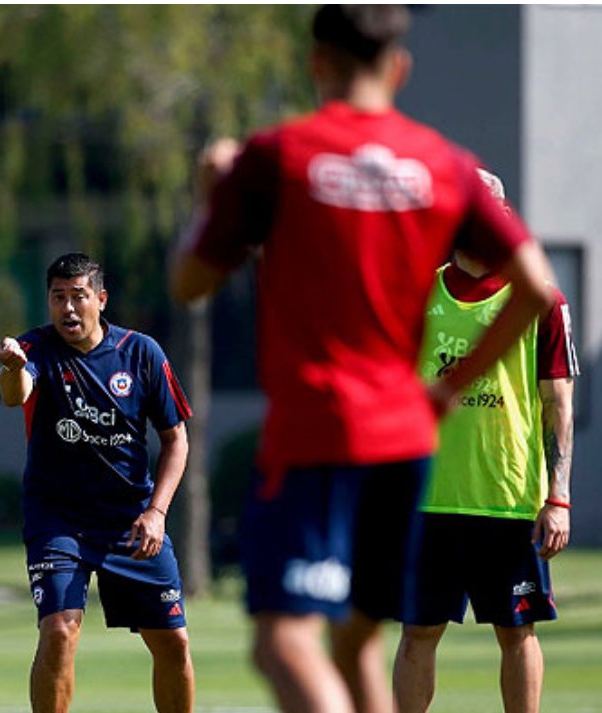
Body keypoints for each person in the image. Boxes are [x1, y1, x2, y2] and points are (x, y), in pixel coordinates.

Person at [168, 6, 556, 713]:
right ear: (399, 68)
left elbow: (190, 282)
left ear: (316, 63)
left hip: (318, 432)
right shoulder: (442, 164)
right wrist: (450, 389)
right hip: (405, 445)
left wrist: (210, 196)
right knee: (356, 644)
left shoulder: (279, 156)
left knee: (284, 643)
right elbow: (535, 284)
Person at [392, 170, 578, 713]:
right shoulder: (416, 291)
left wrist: (558, 498)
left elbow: (558, 404)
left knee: (517, 631)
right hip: (428, 497)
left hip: (509, 498)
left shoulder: (541, 299)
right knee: (417, 631)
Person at [0, 253, 195, 713]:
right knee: (59, 631)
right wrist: (12, 367)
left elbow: (176, 439)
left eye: (78, 296)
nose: (67, 308)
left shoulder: (141, 353)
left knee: (174, 643)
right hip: (58, 521)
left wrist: (157, 512)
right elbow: (15, 394)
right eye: (58, 297)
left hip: (130, 520)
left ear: (101, 299)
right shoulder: (36, 348)